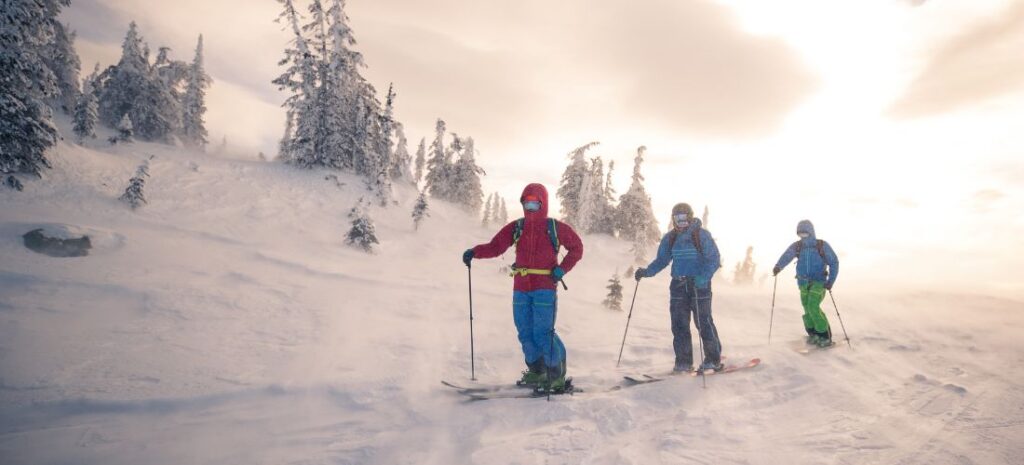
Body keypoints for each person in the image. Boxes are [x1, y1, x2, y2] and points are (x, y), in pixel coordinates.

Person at [462, 183, 583, 392]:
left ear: (542, 204)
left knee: (543, 332)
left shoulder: (554, 227)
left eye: (535, 203)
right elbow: (495, 246)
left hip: (545, 287)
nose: (530, 207)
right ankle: (537, 371)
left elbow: (577, 248)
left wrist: (562, 270)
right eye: (526, 203)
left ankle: (556, 376)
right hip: (520, 288)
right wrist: (475, 252)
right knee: (525, 331)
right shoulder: (517, 227)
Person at [634, 203, 723, 373]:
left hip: (699, 285)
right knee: (679, 325)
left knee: (703, 323)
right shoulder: (670, 238)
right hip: (678, 285)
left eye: (684, 218)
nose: (681, 222)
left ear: (690, 217)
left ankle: (713, 359)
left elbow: (714, 259)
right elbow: (662, 260)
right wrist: (646, 272)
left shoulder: (701, 235)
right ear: (673, 219)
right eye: (677, 218)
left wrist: (703, 277)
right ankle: (683, 363)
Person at [772, 220, 840, 348]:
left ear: (811, 232)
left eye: (805, 233)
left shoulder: (821, 245)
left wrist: (831, 281)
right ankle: (813, 333)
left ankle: (824, 336)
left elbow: (834, 262)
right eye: (800, 234)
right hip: (802, 282)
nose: (802, 236)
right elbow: (787, 256)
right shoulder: (797, 246)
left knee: (813, 306)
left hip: (819, 281)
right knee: (806, 308)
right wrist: (778, 266)